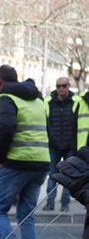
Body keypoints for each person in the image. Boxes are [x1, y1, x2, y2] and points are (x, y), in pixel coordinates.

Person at [0, 65, 50, 239]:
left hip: (16, 163)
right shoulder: (37, 100)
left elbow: (5, 128)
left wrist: (0, 159)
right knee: (26, 215)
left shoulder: (5, 99)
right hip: (40, 162)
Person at [42, 77, 79, 212]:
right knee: (52, 175)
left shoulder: (76, 102)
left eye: (64, 86)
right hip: (53, 146)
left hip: (69, 146)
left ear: (69, 86)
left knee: (68, 177)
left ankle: (65, 204)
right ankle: (50, 203)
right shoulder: (49, 102)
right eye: (58, 86)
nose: (61, 89)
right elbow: (46, 123)